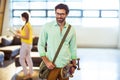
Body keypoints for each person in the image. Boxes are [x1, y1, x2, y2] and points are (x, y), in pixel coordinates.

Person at [38, 3, 77, 80]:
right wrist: (46, 62)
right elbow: (41, 45)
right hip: (51, 65)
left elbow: (73, 48)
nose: (59, 16)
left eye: (62, 14)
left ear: (67, 14)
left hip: (66, 66)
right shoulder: (47, 26)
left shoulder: (71, 29)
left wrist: (74, 65)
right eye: (57, 13)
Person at [15, 12, 33, 79]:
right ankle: (30, 73)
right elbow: (24, 34)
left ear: (24, 17)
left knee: (21, 59)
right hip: (27, 44)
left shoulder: (27, 25)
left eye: (21, 17)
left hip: (26, 44)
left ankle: (27, 74)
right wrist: (19, 32)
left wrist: (18, 35)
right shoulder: (26, 24)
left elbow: (26, 36)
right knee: (28, 58)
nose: (21, 18)